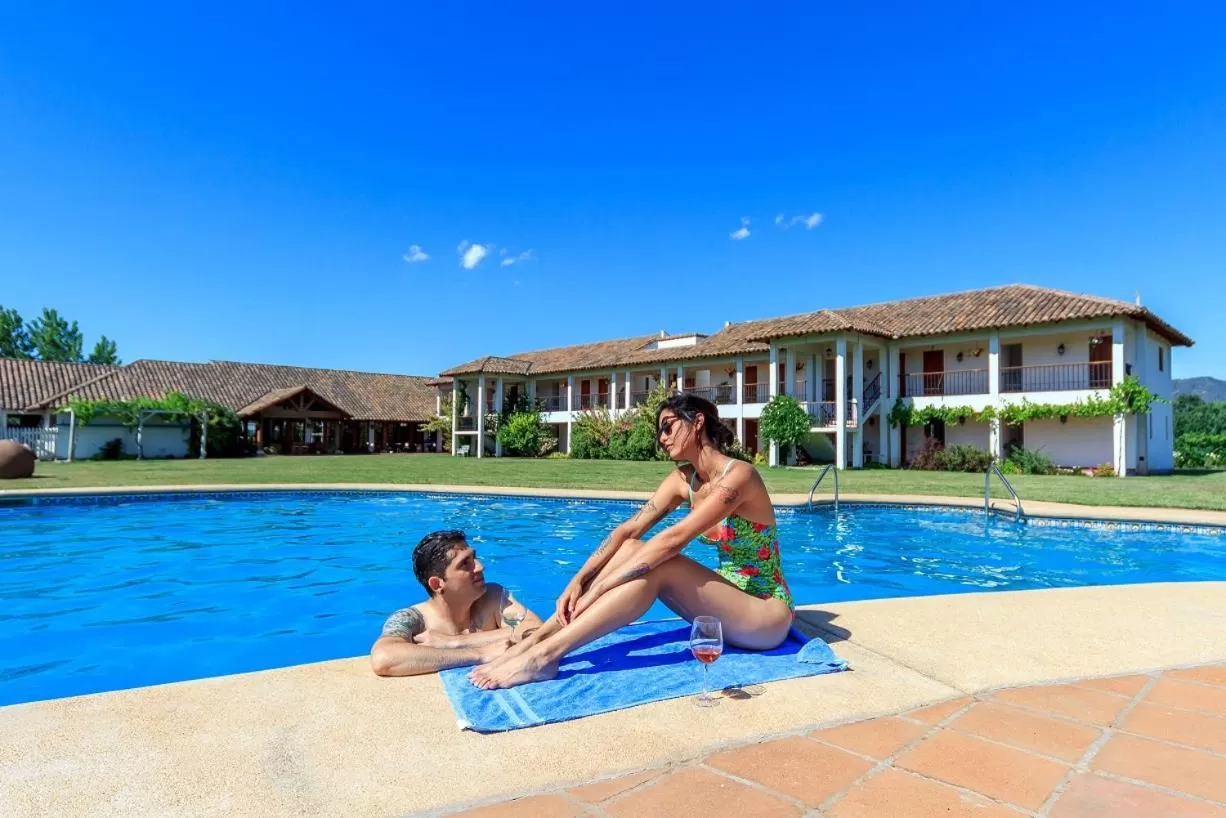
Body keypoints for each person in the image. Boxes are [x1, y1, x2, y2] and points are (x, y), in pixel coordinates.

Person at [469, 393, 793, 690]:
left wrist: (599, 589)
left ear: (697, 422)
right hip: (729, 602)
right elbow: (628, 531)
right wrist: (578, 581)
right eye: (659, 431)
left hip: (765, 615)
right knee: (632, 548)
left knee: (661, 564)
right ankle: (535, 641)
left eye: (667, 427)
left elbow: (674, 540)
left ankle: (543, 657)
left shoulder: (740, 475)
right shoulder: (685, 479)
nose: (661, 438)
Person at [370, 529, 543, 677]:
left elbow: (539, 630)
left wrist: (455, 642)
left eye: (474, 557)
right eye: (464, 564)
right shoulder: (413, 619)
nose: (480, 566)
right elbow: (384, 658)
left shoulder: (494, 597)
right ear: (437, 584)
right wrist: (480, 653)